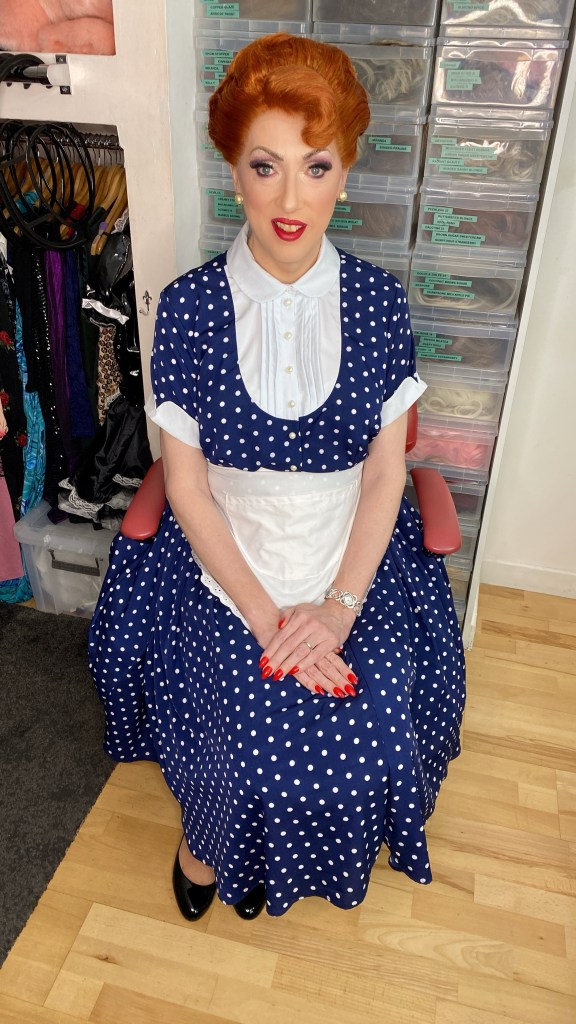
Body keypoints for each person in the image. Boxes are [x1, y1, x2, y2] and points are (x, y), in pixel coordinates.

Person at [88, 33, 466, 922]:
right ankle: (206, 845)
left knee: (372, 735)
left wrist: (335, 610)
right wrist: (269, 620)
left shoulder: (379, 303)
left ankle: (287, 856)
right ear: (234, 171)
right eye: (266, 166)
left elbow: (385, 478)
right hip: (225, 562)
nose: (291, 199)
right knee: (240, 738)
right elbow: (186, 488)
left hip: (350, 560)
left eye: (316, 167)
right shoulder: (188, 306)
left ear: (346, 174)